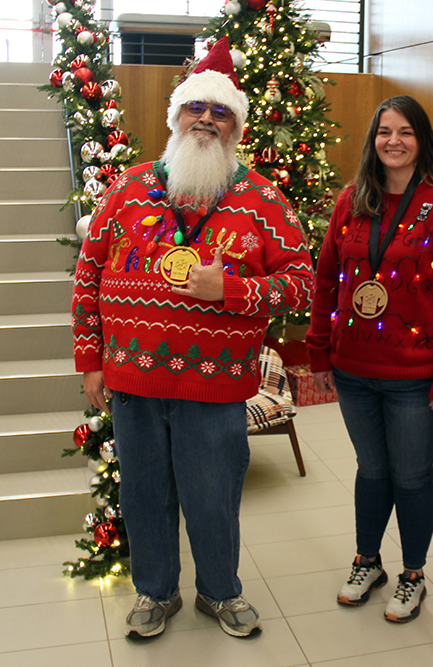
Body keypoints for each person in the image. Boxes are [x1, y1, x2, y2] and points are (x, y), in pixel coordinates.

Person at [71, 37, 313, 641]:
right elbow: (88, 274)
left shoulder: (263, 198)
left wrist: (232, 290)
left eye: (220, 111)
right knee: (146, 495)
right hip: (132, 378)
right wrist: (90, 361)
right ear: (176, 117)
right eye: (196, 109)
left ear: (236, 125)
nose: (206, 120)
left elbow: (303, 285)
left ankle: (220, 591)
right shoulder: (126, 190)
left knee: (212, 496)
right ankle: (155, 592)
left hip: (217, 383)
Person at [306, 95, 433, 623]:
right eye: (385, 131)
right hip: (355, 369)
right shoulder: (351, 201)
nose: (394, 141)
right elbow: (325, 282)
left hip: (416, 376)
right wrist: (320, 351)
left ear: (422, 139)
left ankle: (413, 574)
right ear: (373, 139)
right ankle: (368, 561)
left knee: (410, 476)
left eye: (406, 131)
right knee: (371, 469)